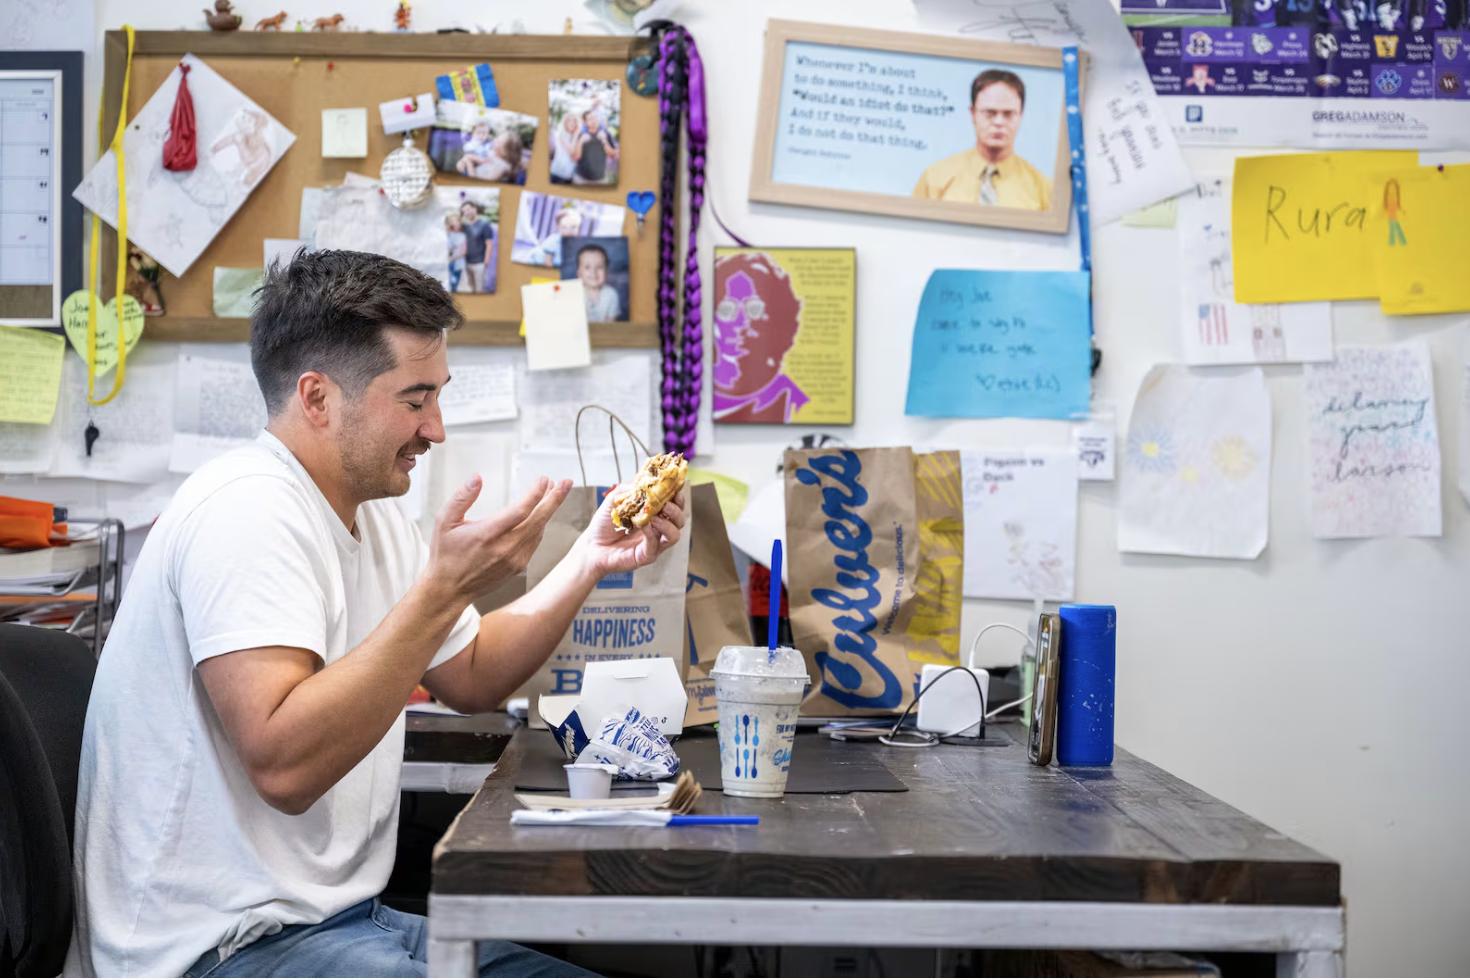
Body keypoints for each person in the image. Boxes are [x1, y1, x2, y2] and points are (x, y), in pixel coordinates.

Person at [66, 250, 684, 979]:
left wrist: (586, 559)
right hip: (215, 950)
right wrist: (443, 591)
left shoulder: (376, 513)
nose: (437, 429)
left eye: (439, 396)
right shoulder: (247, 510)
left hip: (345, 921)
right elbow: (284, 765)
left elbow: (474, 675)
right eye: (415, 400)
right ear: (319, 398)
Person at [911, 69, 1051, 211]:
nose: (999, 122)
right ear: (973, 114)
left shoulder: (1042, 189)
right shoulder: (935, 178)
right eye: (989, 113)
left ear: (1020, 116)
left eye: (1008, 114)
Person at [712, 252, 809, 424]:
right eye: (726, 310)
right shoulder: (688, 404)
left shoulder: (797, 405)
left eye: (754, 309)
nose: (741, 323)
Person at [574, 244, 621, 321]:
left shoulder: (611, 294)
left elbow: (611, 324)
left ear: (606, 272)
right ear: (579, 274)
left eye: (599, 267)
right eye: (587, 267)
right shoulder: (575, 294)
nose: (593, 272)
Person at [573, 109, 620, 185]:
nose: (594, 120)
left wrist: (604, 140)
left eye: (595, 117)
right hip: (580, 178)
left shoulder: (606, 133)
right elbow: (576, 157)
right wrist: (581, 141)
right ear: (585, 122)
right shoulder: (580, 134)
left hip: (600, 180)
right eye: (590, 119)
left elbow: (613, 155)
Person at [459, 200, 494, 293]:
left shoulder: (484, 225)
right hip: (467, 263)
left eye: (468, 209)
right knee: (471, 289)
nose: (466, 212)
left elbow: (489, 244)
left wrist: (486, 262)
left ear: (474, 208)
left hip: (479, 264)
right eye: (464, 211)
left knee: (479, 290)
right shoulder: (465, 226)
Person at [549, 112, 580, 184]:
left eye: (574, 121)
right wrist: (576, 135)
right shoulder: (560, 134)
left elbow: (575, 156)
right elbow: (571, 151)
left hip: (569, 175)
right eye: (569, 120)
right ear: (565, 122)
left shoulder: (574, 136)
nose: (572, 123)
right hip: (558, 174)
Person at [445, 213, 467, 293]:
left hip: (456, 264)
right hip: (448, 263)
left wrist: (451, 258)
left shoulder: (462, 236)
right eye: (451, 221)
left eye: (457, 221)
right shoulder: (447, 235)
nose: (454, 223)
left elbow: (463, 251)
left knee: (453, 285)